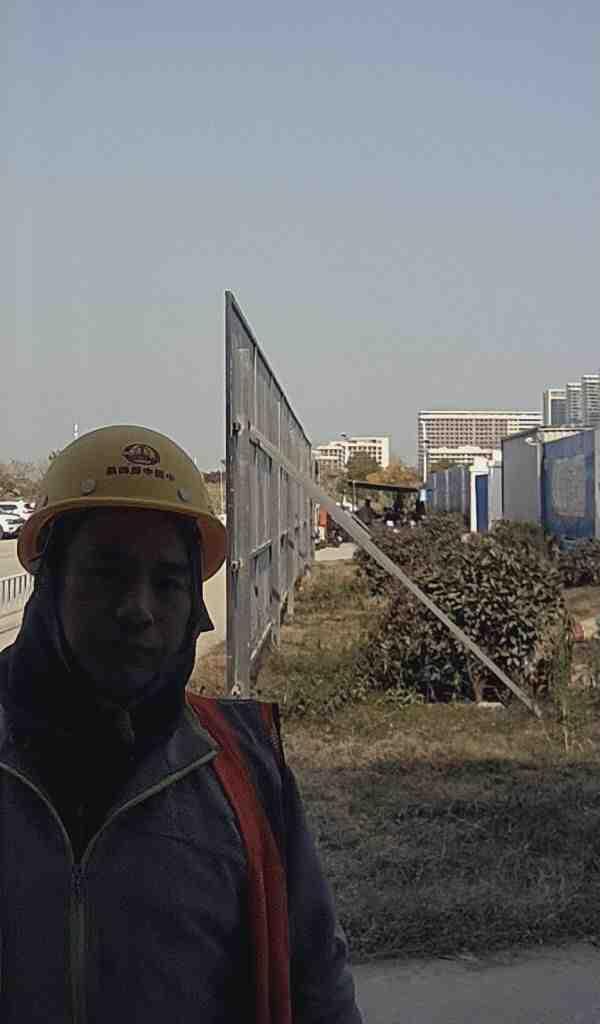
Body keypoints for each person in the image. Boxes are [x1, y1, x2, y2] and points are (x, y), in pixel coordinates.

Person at [0, 424, 363, 1023]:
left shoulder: (246, 772)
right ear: (50, 581)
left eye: (168, 582)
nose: (138, 609)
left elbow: (316, 986)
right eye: (107, 572)